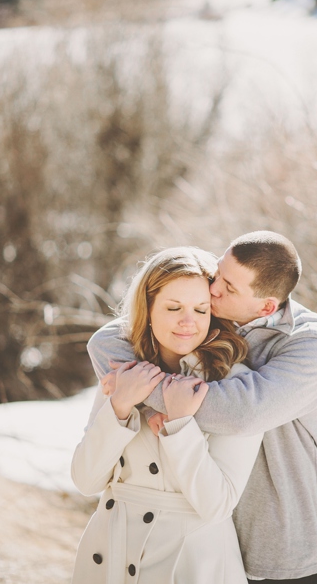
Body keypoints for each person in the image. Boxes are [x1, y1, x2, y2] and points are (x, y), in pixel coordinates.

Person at [90, 231, 317, 584]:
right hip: (202, 537)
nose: (213, 288)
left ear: (266, 307)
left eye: (229, 287)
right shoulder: (211, 315)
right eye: (218, 273)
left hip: (275, 549)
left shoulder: (309, 344)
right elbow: (107, 341)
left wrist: (144, 390)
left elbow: (240, 414)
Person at [71, 247, 264, 583]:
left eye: (201, 310)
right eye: (173, 307)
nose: (188, 322)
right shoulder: (124, 372)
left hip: (191, 564)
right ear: (147, 309)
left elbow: (218, 505)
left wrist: (180, 426)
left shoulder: (237, 384)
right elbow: (86, 481)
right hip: (112, 552)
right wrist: (119, 407)